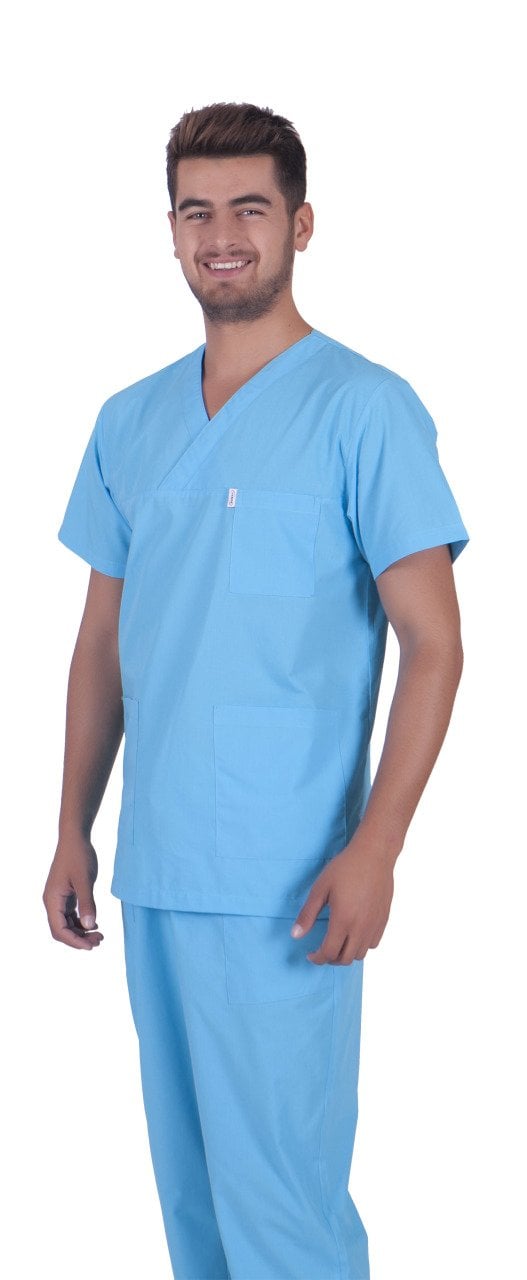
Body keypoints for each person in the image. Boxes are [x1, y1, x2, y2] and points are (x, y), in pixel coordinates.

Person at [43, 101, 470, 1280]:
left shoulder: (363, 409)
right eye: (196, 211)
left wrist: (377, 846)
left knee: (282, 1214)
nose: (220, 236)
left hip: (291, 879)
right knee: (194, 1212)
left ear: (300, 224)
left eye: (248, 209)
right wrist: (72, 825)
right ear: (170, 230)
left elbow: (433, 642)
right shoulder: (129, 420)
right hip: (156, 873)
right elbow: (101, 641)